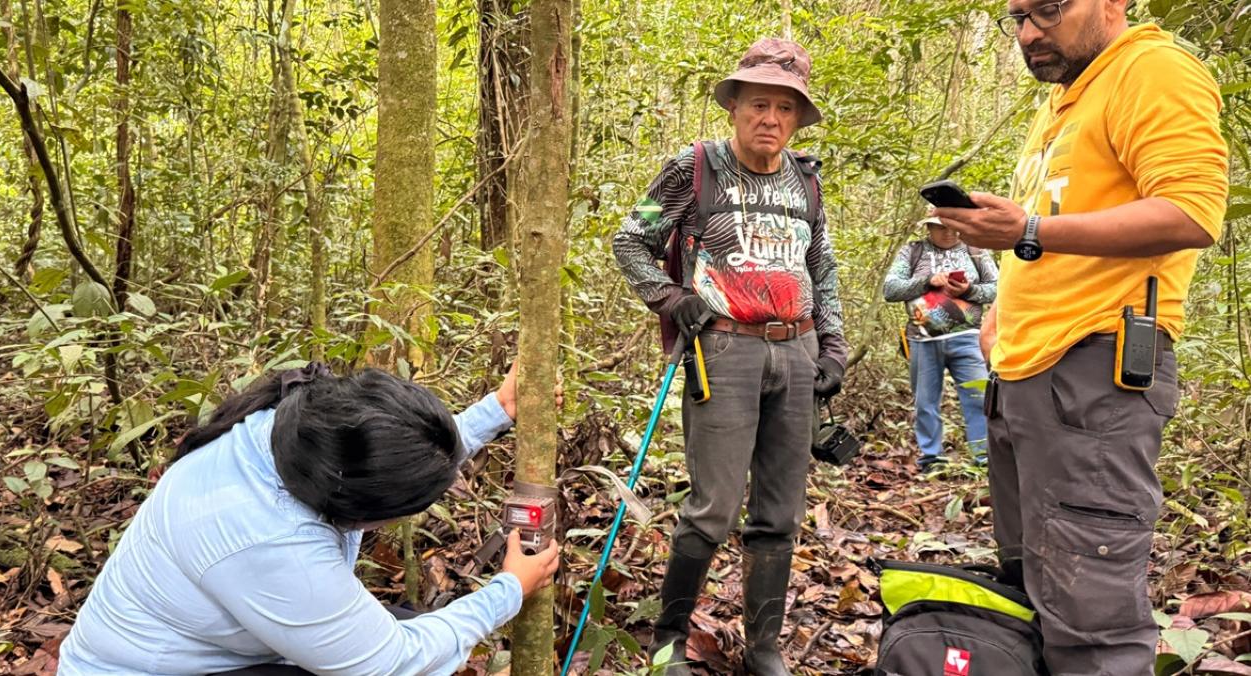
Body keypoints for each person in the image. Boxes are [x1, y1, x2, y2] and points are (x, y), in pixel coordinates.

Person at [934, 0, 1229, 673]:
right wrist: (1002, 311)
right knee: (1036, 596)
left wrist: (1028, 232)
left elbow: (1191, 210)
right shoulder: (1065, 102)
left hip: (1094, 380)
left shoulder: (1151, 70)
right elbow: (1057, 233)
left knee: (1091, 622)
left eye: (1048, 9)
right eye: (1016, 17)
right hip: (1025, 380)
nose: (1030, 31)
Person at [58, 362, 560, 676]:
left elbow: (374, 453)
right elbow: (390, 664)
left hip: (213, 651)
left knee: (415, 625)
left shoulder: (287, 431)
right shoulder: (274, 542)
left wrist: (496, 410)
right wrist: (508, 590)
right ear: (362, 508)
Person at [613, 38, 847, 676]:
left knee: (779, 511)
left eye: (785, 108)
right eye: (758, 104)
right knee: (713, 507)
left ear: (798, 118)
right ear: (735, 106)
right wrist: (669, 297)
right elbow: (630, 239)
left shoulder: (807, 179)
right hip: (723, 350)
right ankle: (668, 642)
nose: (770, 119)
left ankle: (764, 649)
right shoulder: (692, 168)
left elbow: (819, 265)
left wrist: (833, 346)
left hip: (795, 351)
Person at [882, 216, 998, 470]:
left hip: (967, 337)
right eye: (941, 227)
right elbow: (890, 289)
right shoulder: (913, 251)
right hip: (923, 339)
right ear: (929, 227)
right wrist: (927, 281)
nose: (949, 233)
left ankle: (984, 458)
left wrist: (968, 290)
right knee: (925, 401)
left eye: (954, 227)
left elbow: (998, 287)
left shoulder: (975, 250)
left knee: (979, 396)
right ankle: (931, 459)